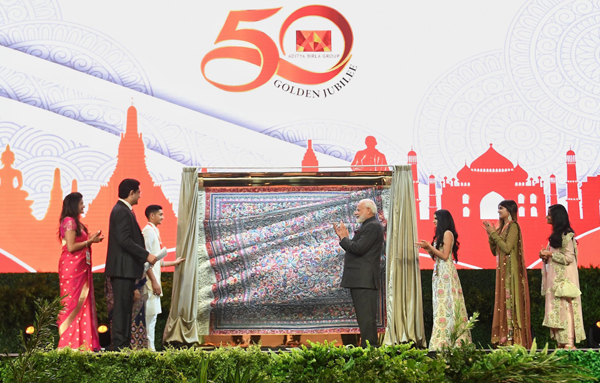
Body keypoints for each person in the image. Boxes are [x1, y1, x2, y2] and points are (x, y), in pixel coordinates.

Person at [104, 179, 157, 350]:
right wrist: (145, 254)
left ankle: (123, 346)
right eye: (139, 192)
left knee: (125, 310)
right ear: (131, 193)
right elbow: (124, 240)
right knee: (121, 311)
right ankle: (119, 348)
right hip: (121, 269)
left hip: (126, 270)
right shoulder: (121, 211)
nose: (140, 196)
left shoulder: (125, 211)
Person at [416, 209, 470, 350]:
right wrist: (428, 249)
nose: (433, 221)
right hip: (439, 272)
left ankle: (451, 341)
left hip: (446, 273)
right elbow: (437, 257)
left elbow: (445, 256)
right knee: (441, 306)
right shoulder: (441, 234)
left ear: (442, 219)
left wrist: (429, 247)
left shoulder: (447, 233)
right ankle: (442, 340)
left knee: (448, 305)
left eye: (436, 218)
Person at [333, 198, 384, 348]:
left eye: (358, 210)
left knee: (366, 318)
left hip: (364, 280)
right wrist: (344, 239)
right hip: (362, 280)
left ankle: (370, 351)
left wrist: (344, 238)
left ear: (369, 210)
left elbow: (358, 248)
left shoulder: (373, 226)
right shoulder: (368, 226)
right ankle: (368, 349)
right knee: (364, 318)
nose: (356, 213)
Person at [57, 192, 104, 351]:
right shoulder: (69, 221)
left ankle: (84, 343)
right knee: (72, 304)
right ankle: (69, 344)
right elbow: (71, 247)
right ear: (74, 204)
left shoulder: (76, 222)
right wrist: (90, 241)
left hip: (81, 268)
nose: (84, 205)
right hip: (72, 269)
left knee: (83, 303)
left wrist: (91, 239)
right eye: (81, 203)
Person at [483, 200, 532, 348]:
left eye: (501, 208)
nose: (498, 211)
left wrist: (493, 233)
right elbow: (495, 251)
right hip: (503, 272)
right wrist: (490, 235)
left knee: (511, 302)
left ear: (509, 210)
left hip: (511, 273)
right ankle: (504, 340)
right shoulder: (503, 228)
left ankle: (513, 339)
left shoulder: (513, 226)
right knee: (503, 302)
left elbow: (507, 247)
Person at [539, 204, 586, 349]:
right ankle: (561, 342)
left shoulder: (567, 235)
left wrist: (550, 254)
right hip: (555, 280)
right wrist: (545, 256)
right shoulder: (555, 237)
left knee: (566, 308)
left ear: (557, 217)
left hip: (564, 280)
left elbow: (568, 258)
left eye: (549, 214)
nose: (546, 217)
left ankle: (569, 343)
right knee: (557, 309)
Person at [142, 204, 184, 351]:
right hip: (149, 280)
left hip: (154, 278)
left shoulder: (154, 231)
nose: (163, 217)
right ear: (152, 215)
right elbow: (145, 259)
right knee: (150, 315)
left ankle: (150, 348)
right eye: (160, 214)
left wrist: (174, 262)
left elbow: (157, 261)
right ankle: (149, 349)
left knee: (152, 316)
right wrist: (153, 281)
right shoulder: (147, 232)